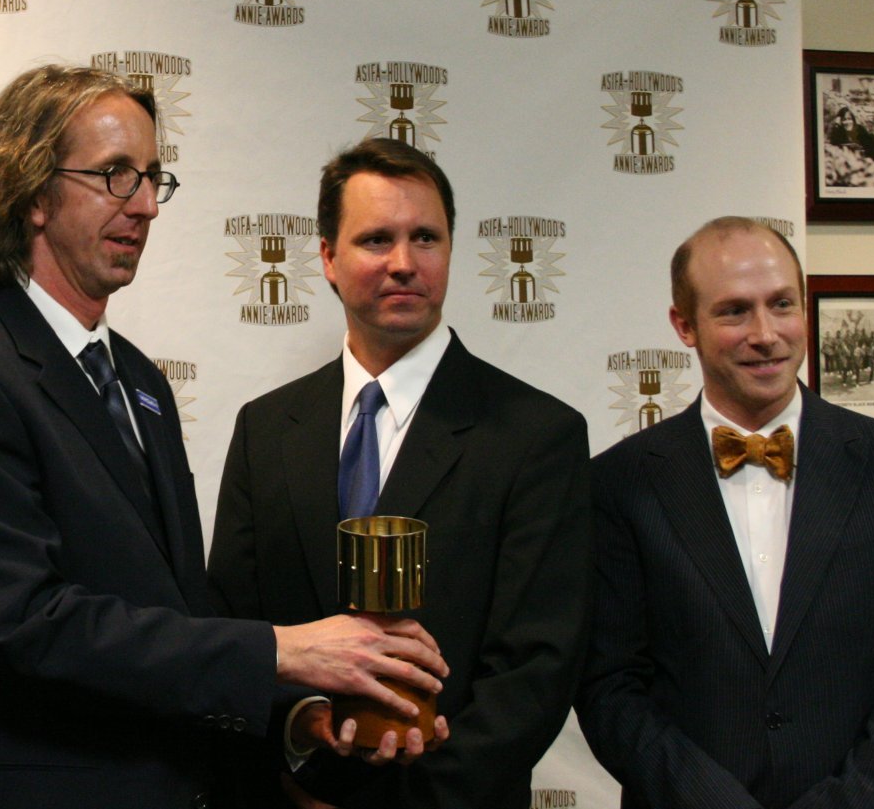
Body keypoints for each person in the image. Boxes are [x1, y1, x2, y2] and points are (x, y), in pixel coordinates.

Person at [0, 65, 448, 809]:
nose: (146, 205)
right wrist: (284, 650)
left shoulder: (141, 382)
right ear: (31, 193)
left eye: (153, 178)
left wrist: (300, 714)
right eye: (116, 175)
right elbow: (22, 622)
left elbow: (181, 608)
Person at [208, 137, 593, 808]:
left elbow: (536, 671)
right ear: (327, 257)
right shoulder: (264, 430)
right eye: (376, 239)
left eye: (426, 238)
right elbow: (236, 630)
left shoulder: (538, 436)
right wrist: (292, 751)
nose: (404, 263)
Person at [575, 217, 874, 809]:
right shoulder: (617, 483)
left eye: (781, 305)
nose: (766, 334)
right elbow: (609, 686)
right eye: (733, 312)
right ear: (684, 326)